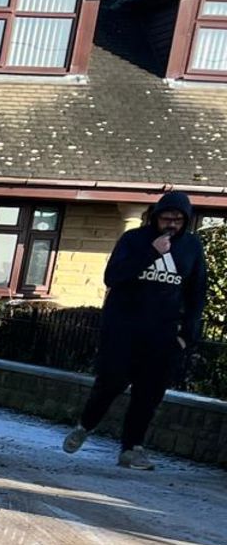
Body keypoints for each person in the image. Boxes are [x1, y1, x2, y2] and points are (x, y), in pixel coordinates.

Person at [63, 192, 208, 470]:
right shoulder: (134, 240)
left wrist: (186, 334)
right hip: (124, 330)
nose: (172, 225)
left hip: (164, 335)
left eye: (178, 220)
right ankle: (85, 426)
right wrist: (152, 252)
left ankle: (132, 449)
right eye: (167, 218)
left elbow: (196, 292)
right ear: (156, 216)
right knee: (110, 383)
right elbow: (113, 277)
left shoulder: (192, 246)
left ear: (186, 221)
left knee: (149, 395)